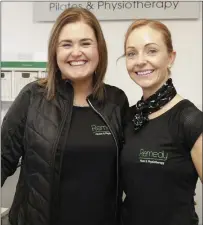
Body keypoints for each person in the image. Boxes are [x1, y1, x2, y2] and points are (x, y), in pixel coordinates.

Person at [1, 7, 129, 225]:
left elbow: (133, 168)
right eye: (66, 44)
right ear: (55, 52)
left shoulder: (116, 101)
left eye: (85, 43)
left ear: (99, 49)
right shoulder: (32, 97)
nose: (76, 52)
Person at [120, 19, 202, 225]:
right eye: (132, 53)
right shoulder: (128, 117)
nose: (140, 61)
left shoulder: (189, 119)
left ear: (170, 57)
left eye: (151, 51)